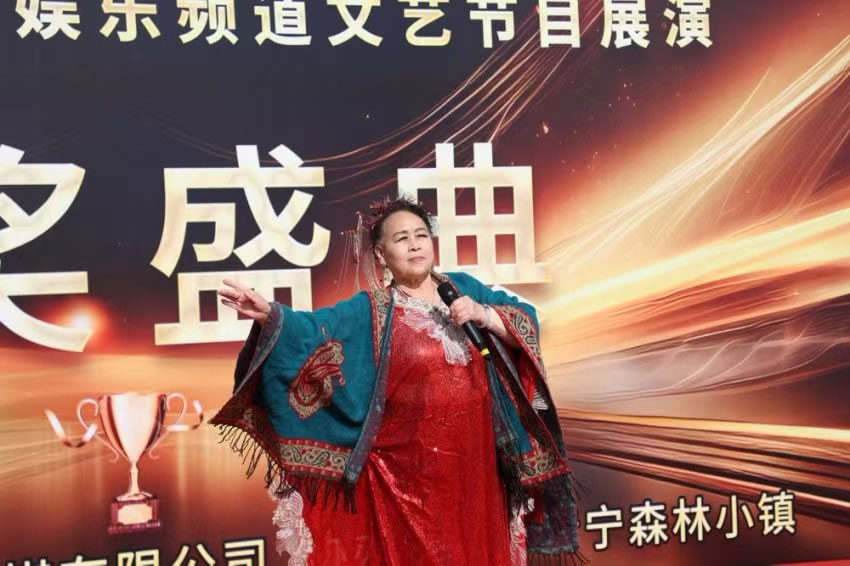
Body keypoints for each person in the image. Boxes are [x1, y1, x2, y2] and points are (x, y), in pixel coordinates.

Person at [211, 196, 581, 565]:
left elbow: (525, 320)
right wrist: (270, 315)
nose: (415, 245)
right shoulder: (369, 309)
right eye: (402, 239)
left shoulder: (463, 287)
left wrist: (484, 314)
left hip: (479, 463)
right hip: (406, 475)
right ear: (381, 255)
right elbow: (312, 330)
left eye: (421, 235)